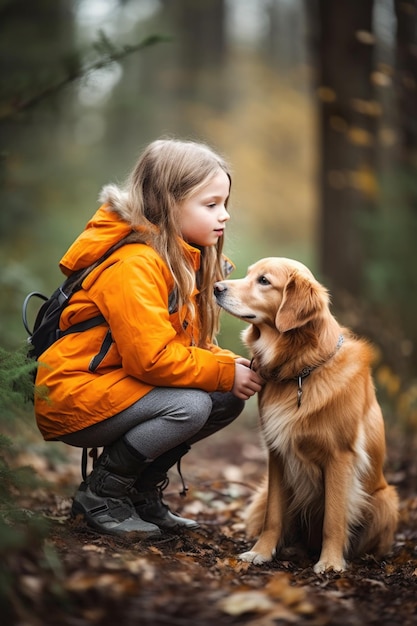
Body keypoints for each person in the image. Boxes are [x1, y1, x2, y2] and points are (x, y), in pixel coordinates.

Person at [34, 138, 263, 538]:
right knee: (190, 405)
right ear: (167, 203)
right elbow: (152, 359)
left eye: (225, 203)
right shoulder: (135, 264)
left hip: (116, 387)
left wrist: (231, 366)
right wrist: (223, 372)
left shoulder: (181, 259)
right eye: (210, 205)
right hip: (74, 395)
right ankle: (102, 494)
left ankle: (138, 493)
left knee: (225, 398)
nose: (223, 215)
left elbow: (185, 346)